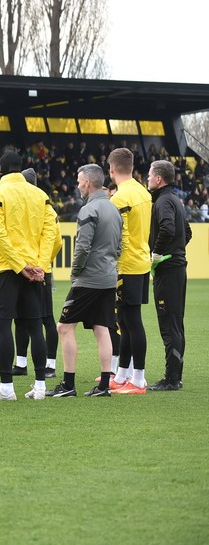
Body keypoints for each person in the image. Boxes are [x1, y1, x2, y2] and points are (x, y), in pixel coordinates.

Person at [0, 151, 58, 401]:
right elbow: (51, 234)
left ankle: (6, 388)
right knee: (35, 326)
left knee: (2, 325)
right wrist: (40, 265)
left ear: (1, 170)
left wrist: (19, 265)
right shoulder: (41, 195)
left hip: (7, 269)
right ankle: (39, 387)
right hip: (35, 271)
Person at [49, 164, 122, 398]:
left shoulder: (88, 210)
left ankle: (68, 384)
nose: (78, 185)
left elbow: (82, 246)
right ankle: (104, 387)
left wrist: (75, 272)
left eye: (79, 181)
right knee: (102, 329)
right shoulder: (114, 209)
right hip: (109, 277)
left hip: (88, 279)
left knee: (64, 327)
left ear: (88, 183)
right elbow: (119, 246)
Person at [107, 148, 152, 394]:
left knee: (131, 321)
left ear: (112, 169)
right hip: (141, 262)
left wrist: (113, 264)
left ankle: (139, 380)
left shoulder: (120, 198)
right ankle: (123, 374)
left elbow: (118, 238)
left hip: (127, 266)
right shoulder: (143, 193)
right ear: (131, 167)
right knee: (124, 320)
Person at [146, 159, 191, 391]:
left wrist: (158, 252)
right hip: (178, 268)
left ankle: (171, 379)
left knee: (169, 324)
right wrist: (176, 249)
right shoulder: (175, 200)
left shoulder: (163, 201)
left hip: (168, 269)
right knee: (176, 322)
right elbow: (187, 232)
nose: (147, 178)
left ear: (159, 179)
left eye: (149, 175)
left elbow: (168, 228)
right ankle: (175, 376)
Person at [13, 168, 62, 379]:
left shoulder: (23, 205)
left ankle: (25, 363)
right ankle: (43, 364)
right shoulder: (46, 205)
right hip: (41, 269)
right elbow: (57, 240)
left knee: (26, 319)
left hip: (24, 269)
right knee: (42, 318)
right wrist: (44, 262)